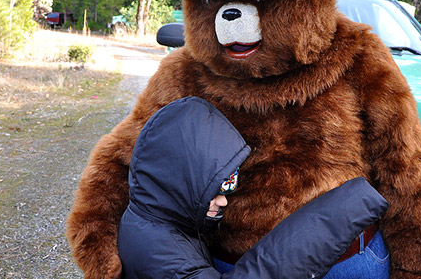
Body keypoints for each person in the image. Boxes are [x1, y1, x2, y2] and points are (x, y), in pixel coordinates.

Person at [118, 97, 389, 279]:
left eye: (230, 185)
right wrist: (344, 210)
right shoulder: (166, 257)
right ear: (177, 179)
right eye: (219, 186)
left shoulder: (153, 216)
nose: (224, 201)